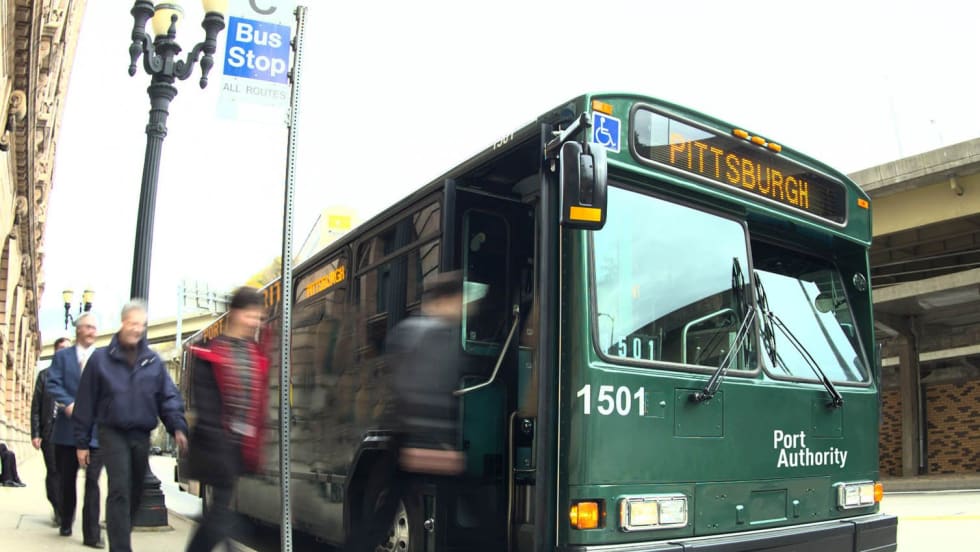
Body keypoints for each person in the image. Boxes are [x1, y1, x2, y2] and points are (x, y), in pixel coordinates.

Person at [346, 272, 467, 551]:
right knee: (388, 512)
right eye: (458, 301)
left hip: (406, 437)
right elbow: (418, 391)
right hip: (414, 440)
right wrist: (432, 443)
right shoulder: (430, 336)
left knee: (385, 511)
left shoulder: (412, 331)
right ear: (445, 301)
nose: (461, 308)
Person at [73, 300, 188, 552]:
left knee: (135, 491)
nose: (137, 329)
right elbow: (85, 402)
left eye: (142, 325)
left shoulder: (152, 362)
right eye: (133, 323)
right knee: (120, 489)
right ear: (123, 323)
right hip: (112, 432)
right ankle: (121, 547)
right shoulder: (100, 360)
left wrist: (177, 427)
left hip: (140, 434)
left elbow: (167, 397)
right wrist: (81, 442)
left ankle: (122, 528)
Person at [185, 287, 269, 552]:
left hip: (239, 448)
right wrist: (222, 447)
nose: (254, 323)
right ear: (235, 314)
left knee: (217, 516)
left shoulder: (253, 353)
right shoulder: (210, 353)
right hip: (216, 448)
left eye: (258, 317)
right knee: (222, 516)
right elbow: (207, 408)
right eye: (250, 316)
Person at [46, 314, 105, 548]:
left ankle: (92, 534)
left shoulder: (103, 359)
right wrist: (68, 403)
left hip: (95, 434)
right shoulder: (62, 357)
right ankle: (66, 519)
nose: (92, 331)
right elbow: (52, 384)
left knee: (93, 482)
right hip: (66, 432)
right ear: (79, 330)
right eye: (88, 327)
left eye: (94, 327)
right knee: (67, 481)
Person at [30, 336, 72, 524]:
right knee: (54, 471)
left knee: (66, 473)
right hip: (50, 431)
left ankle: (64, 508)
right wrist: (36, 433)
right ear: (55, 352)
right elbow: (36, 406)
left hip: (70, 432)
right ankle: (58, 509)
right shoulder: (45, 375)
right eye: (61, 348)